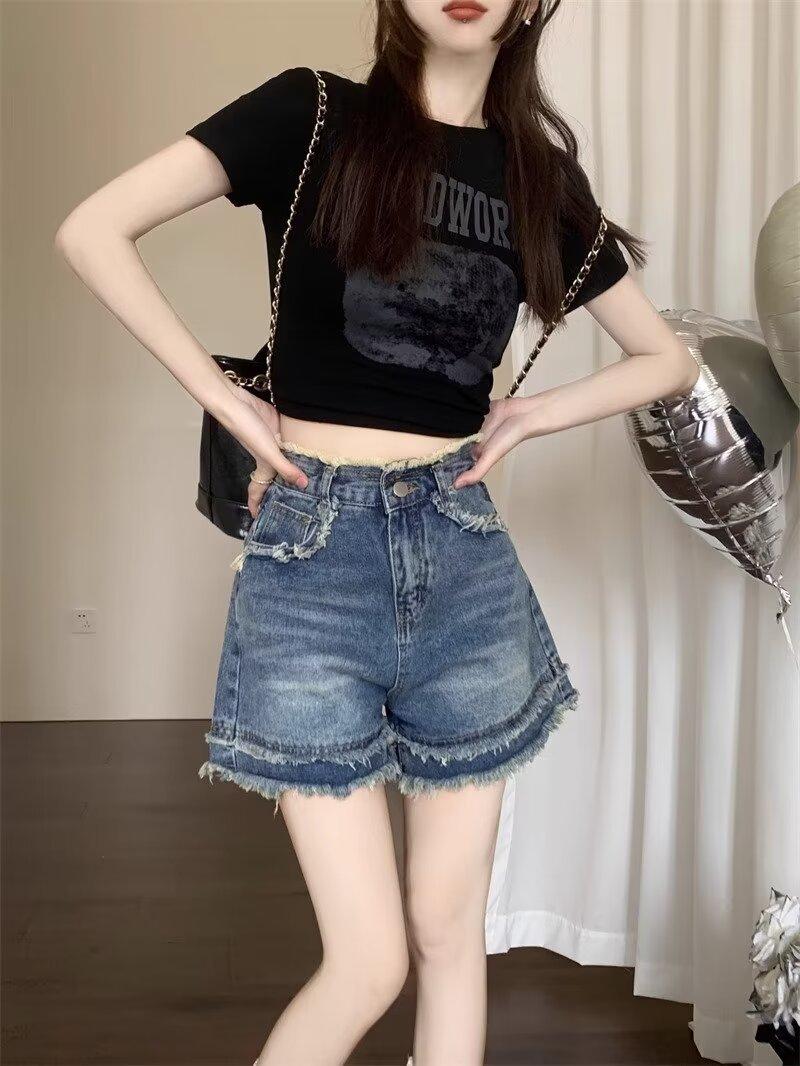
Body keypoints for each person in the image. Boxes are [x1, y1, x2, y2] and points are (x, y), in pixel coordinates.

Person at [54, 1, 699, 1063]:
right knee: (367, 961)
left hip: (465, 560)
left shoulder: (539, 179)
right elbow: (92, 229)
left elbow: (667, 359)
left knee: (450, 934)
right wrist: (224, 398)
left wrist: (532, 413)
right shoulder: (311, 115)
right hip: (313, 560)